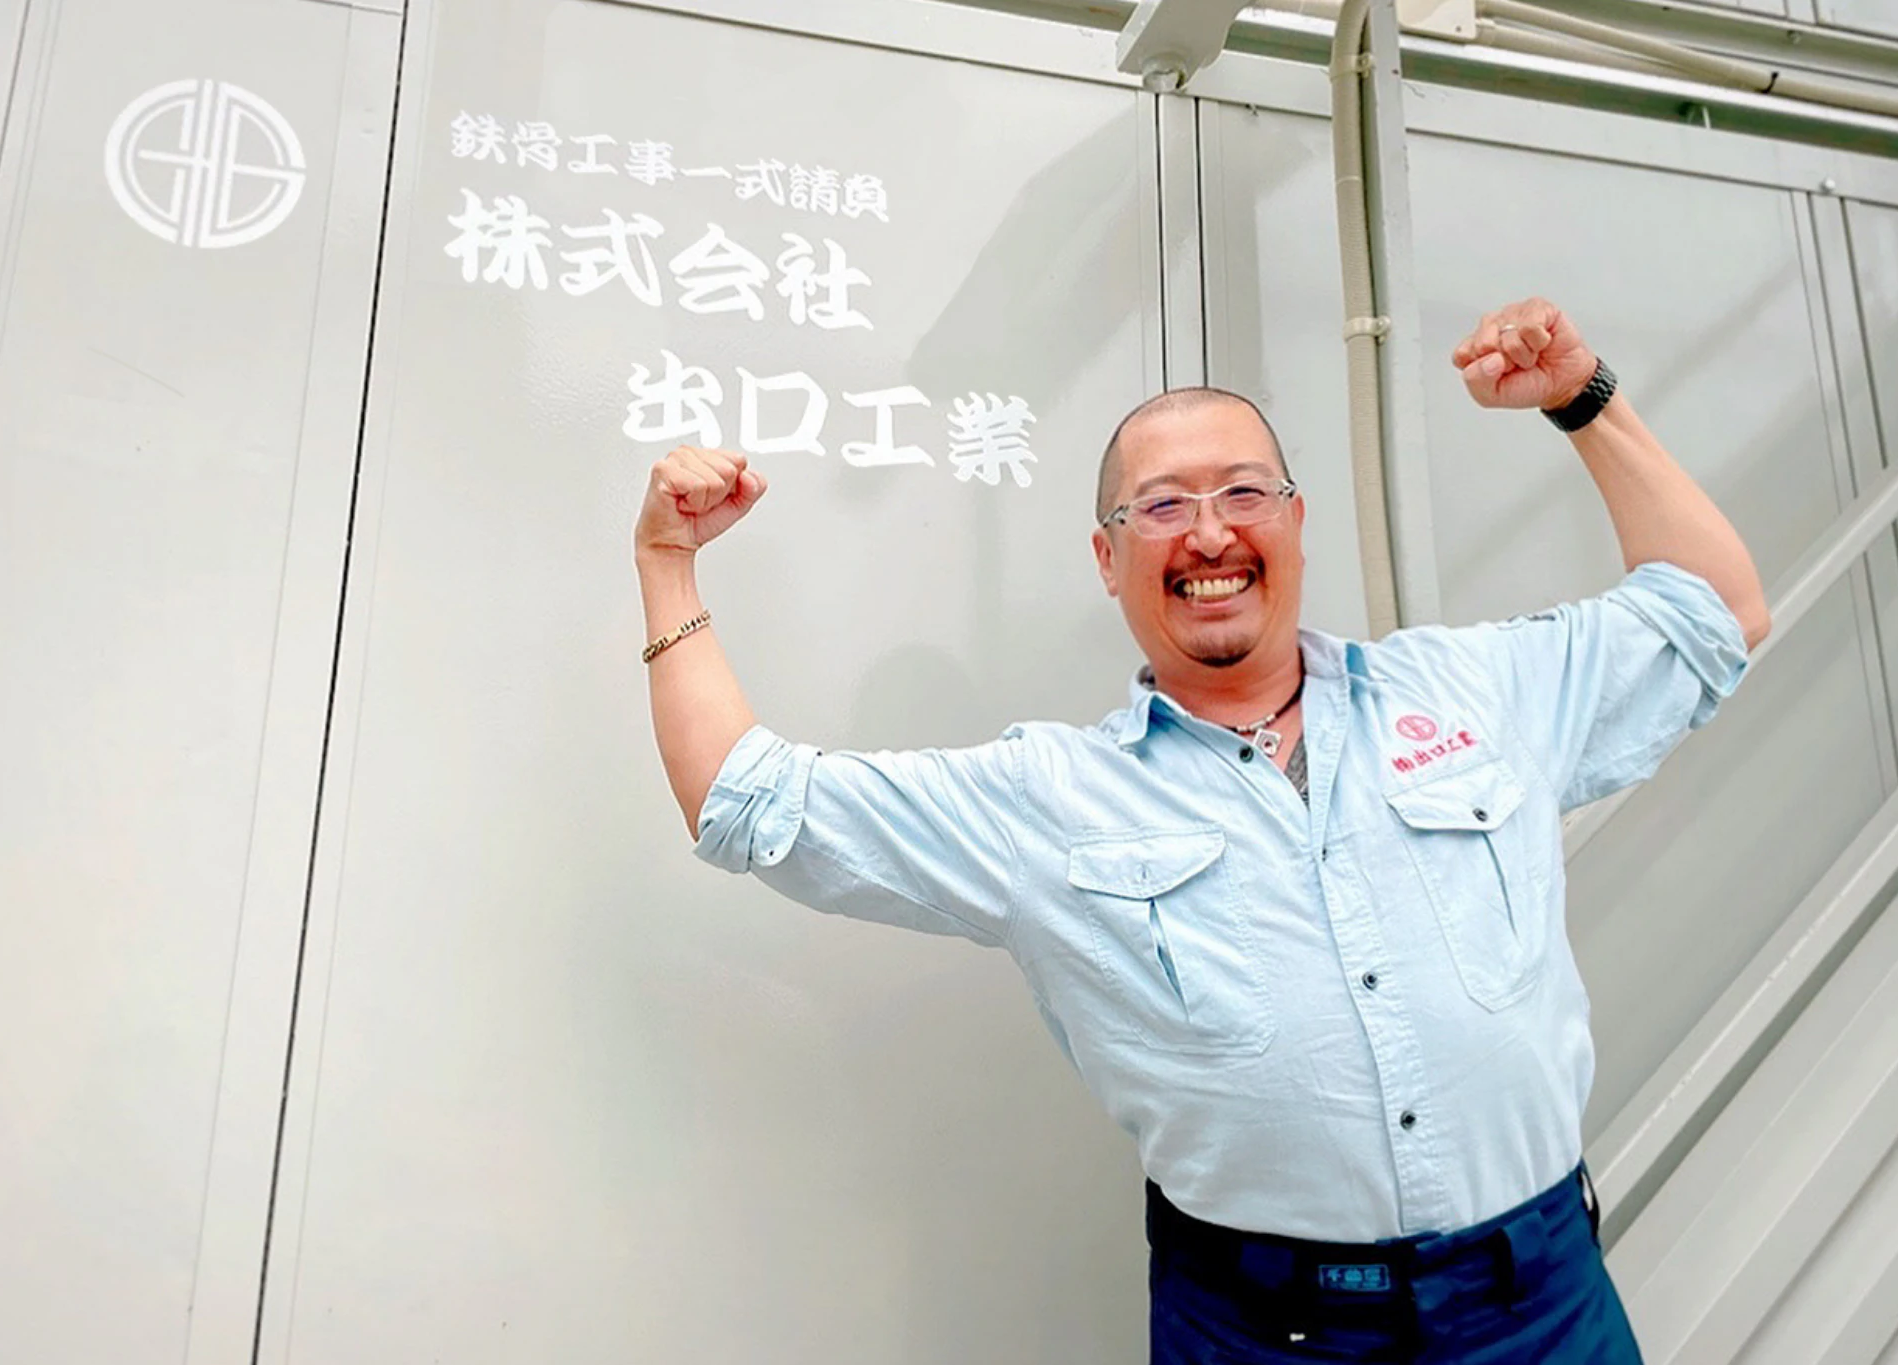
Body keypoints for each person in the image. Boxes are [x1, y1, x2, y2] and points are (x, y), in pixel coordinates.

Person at [632, 297, 1770, 1364]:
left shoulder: (1473, 690)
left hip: (1541, 1302)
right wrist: (667, 563)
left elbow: (1717, 612)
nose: (1210, 532)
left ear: (1296, 522)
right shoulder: (1048, 798)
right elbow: (744, 799)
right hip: (1261, 1329)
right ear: (1107, 557)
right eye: (1163, 506)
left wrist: (1583, 398)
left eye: (1243, 493)